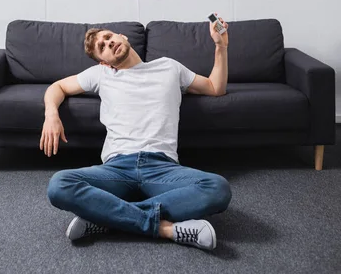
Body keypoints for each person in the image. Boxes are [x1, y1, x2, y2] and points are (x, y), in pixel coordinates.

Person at [41, 15, 232, 252]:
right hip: (116, 168)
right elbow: (57, 87)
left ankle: (107, 217)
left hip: (162, 168)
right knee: (59, 185)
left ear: (123, 37)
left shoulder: (169, 67)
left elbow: (215, 88)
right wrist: (51, 115)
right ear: (104, 62)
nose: (108, 43)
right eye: (102, 47)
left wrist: (220, 46)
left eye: (109, 37)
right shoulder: (101, 75)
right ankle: (166, 229)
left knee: (218, 188)